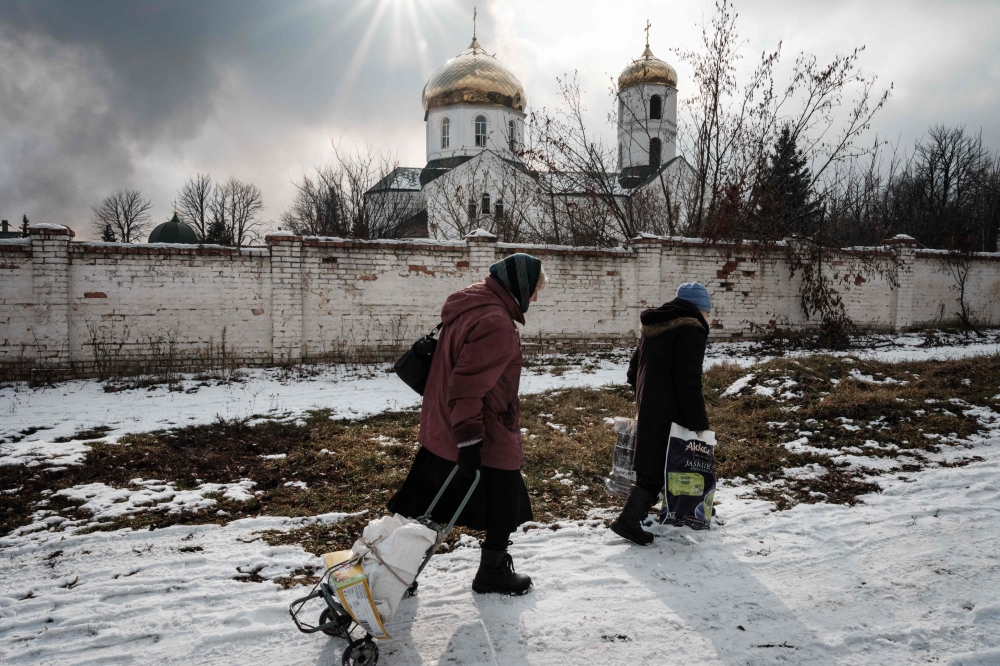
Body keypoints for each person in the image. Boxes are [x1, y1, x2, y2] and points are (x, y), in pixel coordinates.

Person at [387, 253, 547, 595]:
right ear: (520, 286)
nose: (535, 298)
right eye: (534, 290)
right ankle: (491, 572)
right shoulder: (496, 323)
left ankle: (397, 571)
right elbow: (466, 387)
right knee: (503, 502)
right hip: (477, 428)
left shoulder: (471, 304)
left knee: (424, 504)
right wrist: (469, 441)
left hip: (444, 424)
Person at [611, 282, 712, 546]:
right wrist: (699, 422)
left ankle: (640, 515)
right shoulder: (692, 329)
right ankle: (628, 521)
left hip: (650, 404)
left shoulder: (654, 325)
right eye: (707, 311)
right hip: (673, 408)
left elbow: (633, 371)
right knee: (670, 464)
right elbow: (688, 380)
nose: (708, 317)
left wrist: (647, 397)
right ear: (700, 309)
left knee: (654, 463)